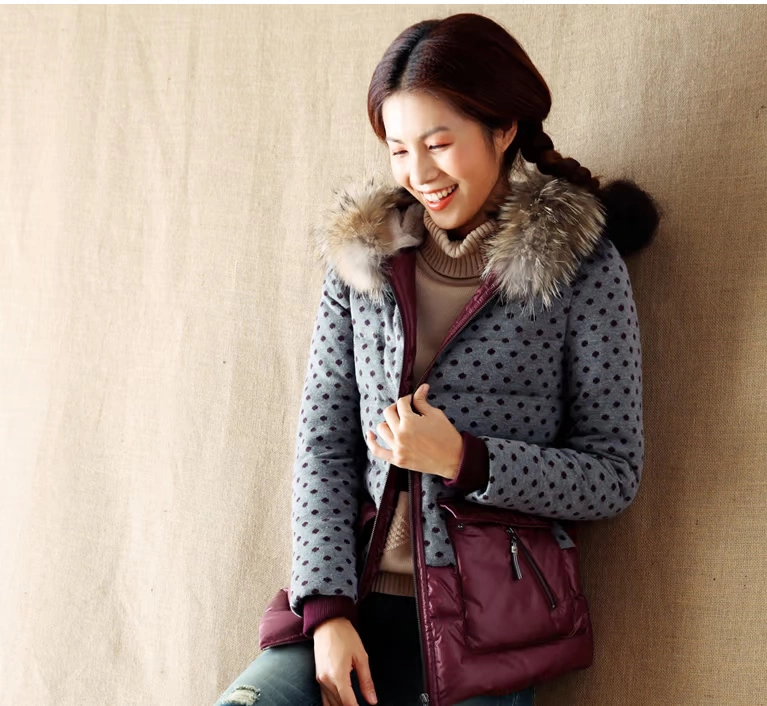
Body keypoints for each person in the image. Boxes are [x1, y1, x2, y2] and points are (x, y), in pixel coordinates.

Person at [214, 12, 660, 706]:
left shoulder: (582, 268)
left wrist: (465, 459)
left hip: (487, 628)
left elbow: (612, 474)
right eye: (398, 149)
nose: (419, 173)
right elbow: (323, 447)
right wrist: (326, 613)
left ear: (503, 129)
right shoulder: (363, 262)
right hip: (352, 602)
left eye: (439, 144)